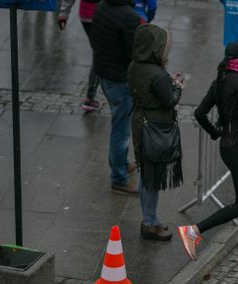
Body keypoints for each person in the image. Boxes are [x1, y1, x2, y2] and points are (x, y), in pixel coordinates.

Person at [177, 41, 238, 269]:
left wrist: (215, 133)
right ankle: (193, 231)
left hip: (227, 147)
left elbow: (200, 113)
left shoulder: (219, 82)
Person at [129, 24, 185, 241]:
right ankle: (150, 222)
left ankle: (149, 219)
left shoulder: (134, 66)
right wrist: (177, 86)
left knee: (145, 171)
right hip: (155, 126)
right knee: (151, 177)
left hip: (139, 122)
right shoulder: (157, 74)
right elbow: (170, 100)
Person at [90, 0, 142, 194]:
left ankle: (120, 163)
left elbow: (94, 39)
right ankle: (119, 178)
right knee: (121, 131)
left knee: (118, 123)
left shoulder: (102, 6)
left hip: (104, 74)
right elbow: (135, 53)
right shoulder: (129, 17)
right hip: (120, 80)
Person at [57, 0, 101, 111]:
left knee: (99, 52)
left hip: (86, 15)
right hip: (100, 16)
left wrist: (63, 14)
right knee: (99, 54)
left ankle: (92, 96)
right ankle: (90, 97)